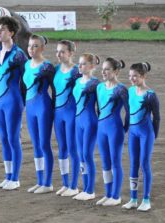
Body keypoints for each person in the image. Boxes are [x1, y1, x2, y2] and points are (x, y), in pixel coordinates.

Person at [0, 16, 28, 190]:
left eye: (3, 29)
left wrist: (24, 101)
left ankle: (15, 178)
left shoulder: (19, 55)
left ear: (12, 32)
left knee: (14, 139)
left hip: (13, 101)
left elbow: (27, 80)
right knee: (4, 139)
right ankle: (7, 176)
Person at [122, 62, 160, 212]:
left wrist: (154, 135)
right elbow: (128, 113)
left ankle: (146, 199)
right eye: (130, 76)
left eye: (135, 76)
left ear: (143, 76)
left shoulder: (150, 95)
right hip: (133, 133)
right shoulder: (130, 91)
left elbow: (157, 118)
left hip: (146, 133)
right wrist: (126, 129)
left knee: (144, 164)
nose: (132, 79)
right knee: (133, 164)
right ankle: (133, 199)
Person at [22, 34, 55, 194]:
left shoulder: (47, 66)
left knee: (44, 144)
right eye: (29, 46)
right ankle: (40, 180)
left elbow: (55, 89)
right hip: (30, 107)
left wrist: (55, 108)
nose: (31, 49)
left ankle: (48, 183)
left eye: (35, 46)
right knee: (36, 145)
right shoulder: (27, 65)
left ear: (42, 48)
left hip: (43, 106)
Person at [96, 58, 129, 206]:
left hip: (115, 129)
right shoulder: (100, 87)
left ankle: (116, 196)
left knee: (115, 162)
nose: (103, 72)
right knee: (105, 162)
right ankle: (108, 193)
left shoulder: (121, 89)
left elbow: (129, 112)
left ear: (116, 71)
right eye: (103, 69)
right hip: (101, 129)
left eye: (107, 69)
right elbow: (99, 108)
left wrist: (125, 128)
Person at [53, 40, 80, 197]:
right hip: (58, 114)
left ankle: (74, 185)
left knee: (72, 149)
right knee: (62, 148)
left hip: (71, 114)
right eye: (57, 51)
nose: (59, 54)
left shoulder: (76, 71)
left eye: (62, 51)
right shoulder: (56, 69)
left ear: (71, 53)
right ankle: (65, 184)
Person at [72, 53, 100, 200]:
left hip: (90, 121)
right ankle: (85, 187)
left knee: (87, 155)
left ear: (91, 66)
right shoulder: (77, 82)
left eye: (83, 64)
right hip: (78, 122)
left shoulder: (95, 84)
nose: (79, 66)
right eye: (79, 63)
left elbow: (102, 106)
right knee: (81, 155)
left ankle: (90, 190)